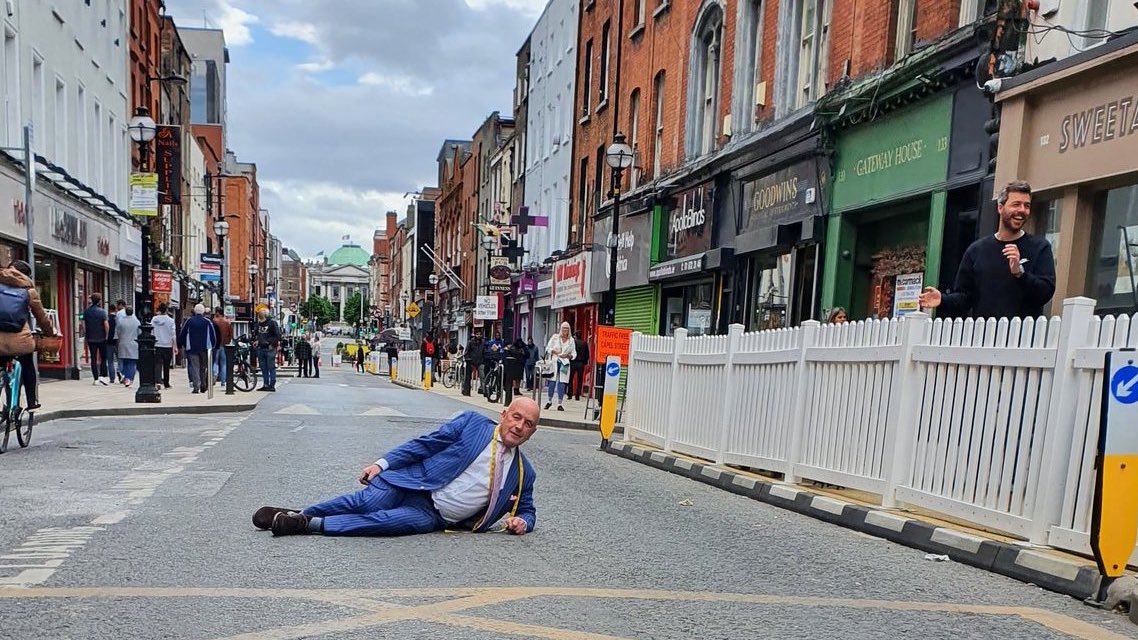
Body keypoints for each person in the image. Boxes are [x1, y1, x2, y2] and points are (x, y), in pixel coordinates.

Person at [253, 399, 540, 538]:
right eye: (516, 417)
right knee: (367, 502)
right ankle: (303, 513)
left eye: (528, 424)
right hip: (408, 481)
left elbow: (527, 509)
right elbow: (426, 444)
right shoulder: (473, 424)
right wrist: (381, 464)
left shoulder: (523, 472)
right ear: (503, 415)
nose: (519, 426)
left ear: (532, 432)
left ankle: (306, 524)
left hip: (432, 514)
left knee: (387, 522)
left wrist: (523, 522)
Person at [919, 180, 1056, 319]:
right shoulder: (977, 251)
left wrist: (1020, 274)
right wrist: (943, 299)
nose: (1022, 210)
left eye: (1026, 206)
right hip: (984, 336)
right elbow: (965, 298)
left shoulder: (1040, 247)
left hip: (1023, 338)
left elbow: (1045, 293)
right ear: (1000, 207)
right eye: (1016, 204)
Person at [0, 260, 54, 410]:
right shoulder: (29, 291)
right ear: (26, 275)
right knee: (28, 364)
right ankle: (31, 402)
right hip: (20, 342)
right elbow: (41, 317)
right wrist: (50, 333)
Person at [178, 303, 217, 394]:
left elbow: (183, 334)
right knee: (203, 367)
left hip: (192, 348)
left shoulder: (189, 321)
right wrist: (212, 346)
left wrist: (182, 344)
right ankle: (203, 385)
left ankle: (196, 386)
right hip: (205, 348)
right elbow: (213, 336)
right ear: (203, 311)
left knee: (195, 367)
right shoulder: (207, 322)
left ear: (195, 311)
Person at [544, 322, 575, 411]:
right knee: (552, 382)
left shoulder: (571, 340)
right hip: (555, 361)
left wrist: (569, 356)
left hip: (564, 363)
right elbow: (548, 348)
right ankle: (549, 401)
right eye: (563, 328)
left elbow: (574, 353)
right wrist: (554, 351)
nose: (565, 330)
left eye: (567, 328)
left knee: (562, 383)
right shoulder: (555, 337)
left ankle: (560, 403)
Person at [83, 293, 109, 385]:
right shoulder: (102, 312)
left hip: (91, 338)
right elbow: (106, 325)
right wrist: (106, 335)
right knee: (103, 357)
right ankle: (103, 376)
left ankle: (96, 378)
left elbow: (84, 325)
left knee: (93, 358)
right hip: (101, 338)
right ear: (99, 301)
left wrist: (87, 335)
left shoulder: (87, 311)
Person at [254, 308, 281, 391]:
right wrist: (257, 341)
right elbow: (258, 335)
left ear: (266, 315)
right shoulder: (259, 324)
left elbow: (278, 335)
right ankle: (266, 384)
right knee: (263, 368)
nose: (259, 316)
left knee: (271, 367)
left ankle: (271, 385)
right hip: (261, 348)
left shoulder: (272, 323)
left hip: (270, 349)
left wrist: (272, 344)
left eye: (261, 315)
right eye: (259, 315)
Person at [151, 303, 176, 389]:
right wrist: (175, 346)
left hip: (157, 344)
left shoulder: (154, 319)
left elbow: (151, 331)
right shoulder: (171, 321)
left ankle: (157, 381)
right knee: (166, 365)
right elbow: (173, 334)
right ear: (166, 310)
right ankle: (166, 383)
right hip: (168, 345)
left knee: (157, 364)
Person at [115, 307, 141, 387]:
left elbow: (118, 332)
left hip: (123, 343)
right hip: (133, 343)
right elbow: (139, 332)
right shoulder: (137, 322)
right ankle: (129, 378)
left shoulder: (121, 321)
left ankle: (125, 377)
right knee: (132, 363)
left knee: (125, 362)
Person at [211, 307, 233, 387]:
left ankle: (214, 375)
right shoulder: (227, 322)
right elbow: (231, 334)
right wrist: (227, 341)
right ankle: (223, 381)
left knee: (215, 362)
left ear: (217, 312)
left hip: (216, 345)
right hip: (224, 345)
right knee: (224, 363)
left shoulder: (214, 321)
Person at [503, 337, 528, 405]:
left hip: (520, 364)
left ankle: (517, 389)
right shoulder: (513, 347)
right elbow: (511, 353)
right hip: (514, 364)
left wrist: (523, 353)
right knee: (514, 377)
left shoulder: (524, 347)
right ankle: (514, 389)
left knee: (519, 377)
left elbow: (527, 354)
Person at [461, 331, 484, 396]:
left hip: (480, 361)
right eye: (477, 334)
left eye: (480, 334)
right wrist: (467, 359)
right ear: (475, 335)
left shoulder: (483, 342)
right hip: (471, 361)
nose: (479, 335)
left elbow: (484, 351)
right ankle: (465, 390)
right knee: (468, 377)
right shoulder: (470, 342)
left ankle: (484, 390)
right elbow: (467, 352)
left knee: (482, 376)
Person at [570, 331, 589, 401]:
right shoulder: (584, 343)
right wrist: (585, 362)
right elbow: (587, 354)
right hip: (581, 363)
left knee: (570, 379)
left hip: (573, 362)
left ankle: (570, 393)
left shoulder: (573, 343)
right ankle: (577, 395)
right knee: (580, 380)